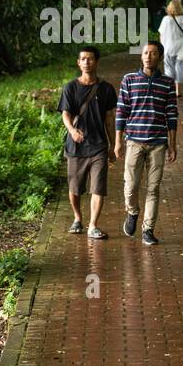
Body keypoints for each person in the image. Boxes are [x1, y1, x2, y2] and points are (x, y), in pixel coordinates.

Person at [115, 40, 178, 246]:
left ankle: (148, 230)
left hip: (158, 143)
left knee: (153, 188)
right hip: (134, 140)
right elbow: (121, 111)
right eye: (145, 53)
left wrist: (173, 144)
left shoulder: (167, 83)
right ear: (141, 57)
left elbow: (172, 114)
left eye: (152, 53)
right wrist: (118, 141)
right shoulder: (129, 80)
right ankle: (132, 212)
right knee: (130, 186)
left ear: (159, 57)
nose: (148, 56)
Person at [58, 47, 120, 238]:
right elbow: (65, 114)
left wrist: (114, 144)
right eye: (83, 59)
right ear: (78, 63)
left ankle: (93, 225)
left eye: (90, 59)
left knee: (98, 186)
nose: (86, 62)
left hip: (99, 145)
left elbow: (110, 118)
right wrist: (72, 131)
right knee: (75, 187)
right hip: (76, 146)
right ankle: (77, 218)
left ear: (97, 62)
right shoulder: (70, 88)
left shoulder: (106, 88)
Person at [157, 0, 183, 98]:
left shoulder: (165, 19)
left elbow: (161, 34)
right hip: (181, 48)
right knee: (179, 68)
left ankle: (169, 90)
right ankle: (177, 90)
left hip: (168, 47)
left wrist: (162, 46)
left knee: (169, 68)